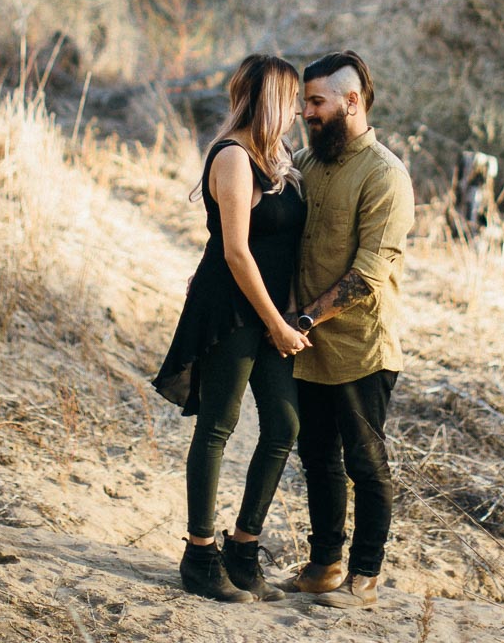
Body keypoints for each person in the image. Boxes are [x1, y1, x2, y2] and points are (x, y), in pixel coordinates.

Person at [152, 54, 313, 603]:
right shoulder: (233, 157)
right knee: (218, 425)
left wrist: (288, 315)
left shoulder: (281, 155)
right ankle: (199, 555)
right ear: (271, 99)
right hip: (232, 307)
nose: (298, 109)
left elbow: (285, 246)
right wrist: (274, 321)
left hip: (271, 311)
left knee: (284, 426)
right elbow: (237, 252)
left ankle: (243, 548)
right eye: (292, 98)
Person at [280, 51, 416, 610]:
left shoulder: (385, 174)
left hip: (361, 347)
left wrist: (304, 319)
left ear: (351, 102)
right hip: (307, 347)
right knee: (317, 457)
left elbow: (367, 276)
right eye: (304, 103)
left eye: (316, 102)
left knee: (366, 463)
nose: (305, 113)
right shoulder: (309, 167)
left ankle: (365, 577)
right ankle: (324, 566)